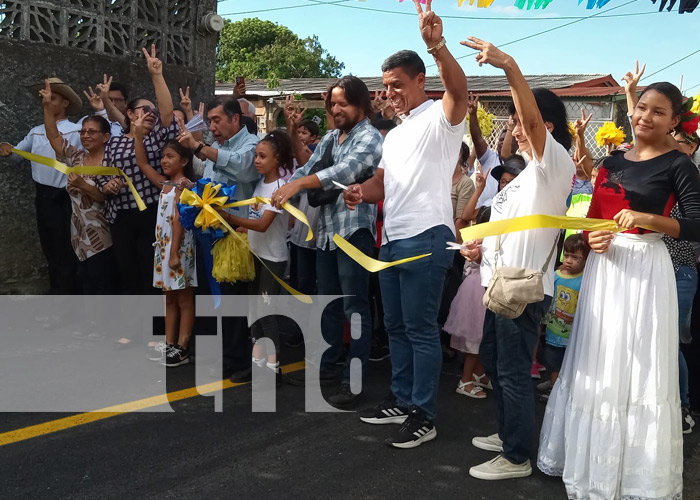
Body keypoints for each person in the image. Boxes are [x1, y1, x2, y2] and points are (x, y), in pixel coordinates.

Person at [538, 81, 700, 500]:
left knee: (637, 364)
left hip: (646, 269)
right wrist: (592, 240)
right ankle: (588, 462)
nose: (645, 116)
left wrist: (646, 218)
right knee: (598, 357)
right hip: (604, 270)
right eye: (641, 107)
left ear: (674, 121)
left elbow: (698, 225)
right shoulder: (610, 162)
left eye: (658, 112)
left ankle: (632, 475)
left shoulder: (679, 164)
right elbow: (594, 216)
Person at [345, 0, 469, 448]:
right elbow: (382, 183)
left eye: (397, 85)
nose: (390, 93)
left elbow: (460, 91)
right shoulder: (393, 135)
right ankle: (401, 398)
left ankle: (424, 412)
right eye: (385, 86)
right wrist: (362, 192)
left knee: (419, 329)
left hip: (427, 236)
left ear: (421, 80)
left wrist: (437, 47)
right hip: (392, 240)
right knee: (396, 327)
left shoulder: (441, 117)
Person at [459, 36, 575, 480]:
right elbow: (509, 232)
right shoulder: (524, 175)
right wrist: (480, 248)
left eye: (520, 121)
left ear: (541, 124)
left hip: (523, 289)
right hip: (498, 284)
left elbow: (530, 116)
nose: (514, 128)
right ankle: (510, 432)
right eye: (512, 122)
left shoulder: (553, 165)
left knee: (510, 369)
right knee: (494, 359)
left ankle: (516, 455)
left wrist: (508, 65)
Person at [270, 75, 383, 409]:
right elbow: (310, 165)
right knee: (329, 303)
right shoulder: (332, 137)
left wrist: (298, 184)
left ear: (361, 105)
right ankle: (329, 368)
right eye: (332, 103)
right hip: (326, 234)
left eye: (343, 103)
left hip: (354, 234)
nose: (336, 109)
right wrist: (283, 188)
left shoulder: (371, 137)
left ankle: (354, 380)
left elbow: (347, 171)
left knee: (354, 307)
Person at [177, 96, 259, 382]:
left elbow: (241, 168)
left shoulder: (251, 145)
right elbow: (212, 184)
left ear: (236, 118)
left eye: (217, 120)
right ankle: (225, 356)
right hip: (210, 233)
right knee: (215, 299)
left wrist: (200, 147)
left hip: (235, 234)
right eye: (209, 121)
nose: (212, 126)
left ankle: (240, 360)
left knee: (234, 300)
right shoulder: (218, 147)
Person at [219, 131, 294, 384]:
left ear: (277, 158)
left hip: (272, 258)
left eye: (263, 156)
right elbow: (252, 223)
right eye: (256, 156)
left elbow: (262, 224)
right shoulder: (260, 184)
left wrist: (230, 218)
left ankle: (273, 368)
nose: (257, 161)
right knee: (255, 312)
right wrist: (236, 227)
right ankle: (258, 364)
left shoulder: (279, 187)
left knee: (267, 312)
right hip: (255, 255)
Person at [0, 77, 83, 295]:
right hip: (44, 198)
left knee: (67, 251)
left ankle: (67, 299)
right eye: (45, 98)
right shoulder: (36, 131)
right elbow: (17, 154)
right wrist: (6, 148)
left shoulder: (77, 131)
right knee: (51, 250)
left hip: (68, 198)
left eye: (53, 98)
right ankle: (58, 295)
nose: (47, 101)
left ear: (65, 103)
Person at [38, 79, 118, 295]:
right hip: (78, 231)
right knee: (84, 278)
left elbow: (105, 198)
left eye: (92, 132)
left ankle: (104, 325)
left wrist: (83, 185)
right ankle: (90, 323)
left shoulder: (111, 162)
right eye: (83, 132)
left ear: (106, 137)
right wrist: (47, 107)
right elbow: (54, 136)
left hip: (102, 233)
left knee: (102, 278)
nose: (85, 136)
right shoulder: (77, 158)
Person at [131, 113, 197, 366]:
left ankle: (182, 346)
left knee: (183, 297)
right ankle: (169, 343)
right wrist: (138, 137)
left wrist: (173, 252)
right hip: (164, 248)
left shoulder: (184, 186)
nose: (163, 161)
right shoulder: (166, 185)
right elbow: (142, 163)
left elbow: (180, 219)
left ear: (184, 160)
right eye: (163, 156)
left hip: (178, 249)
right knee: (169, 297)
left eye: (170, 157)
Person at [444, 206, 492, 399]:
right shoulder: (479, 243)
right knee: (475, 339)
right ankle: (465, 380)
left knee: (482, 338)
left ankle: (478, 373)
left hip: (478, 288)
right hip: (477, 292)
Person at [539, 233, 588, 402]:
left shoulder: (585, 280)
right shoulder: (556, 276)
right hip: (554, 330)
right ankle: (554, 387)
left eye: (575, 257)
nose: (568, 260)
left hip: (573, 334)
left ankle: (562, 390)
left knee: (570, 363)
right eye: (566, 255)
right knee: (553, 361)